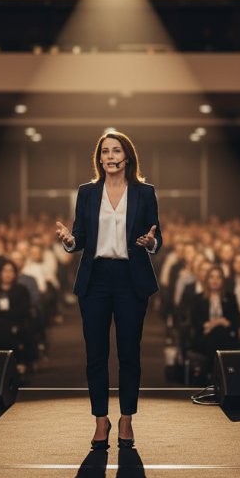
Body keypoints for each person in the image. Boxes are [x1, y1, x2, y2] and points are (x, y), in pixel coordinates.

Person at [55, 130, 162, 450]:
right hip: (96, 278)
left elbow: (157, 237)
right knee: (96, 354)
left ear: (127, 157)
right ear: (99, 158)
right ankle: (101, 420)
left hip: (131, 278)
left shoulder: (145, 192)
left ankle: (126, 419)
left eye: (117, 151)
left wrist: (150, 242)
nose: (111, 157)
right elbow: (80, 236)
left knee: (130, 353)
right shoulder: (87, 192)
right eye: (106, 152)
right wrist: (70, 242)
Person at [189, 266, 240, 374]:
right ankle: (222, 374)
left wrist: (212, 325)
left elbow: (236, 320)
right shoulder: (198, 299)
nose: (215, 280)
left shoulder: (230, 297)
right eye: (211, 277)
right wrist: (220, 321)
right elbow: (195, 322)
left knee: (219, 332)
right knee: (218, 333)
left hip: (226, 336)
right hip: (203, 337)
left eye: (218, 277)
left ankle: (208, 372)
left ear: (223, 281)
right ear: (207, 280)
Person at [0, 260, 33, 372]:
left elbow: (23, 310)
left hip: (16, 322)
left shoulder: (21, 289)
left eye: (11, 271)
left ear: (15, 273)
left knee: (9, 329)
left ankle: (17, 363)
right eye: (5, 271)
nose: (8, 274)